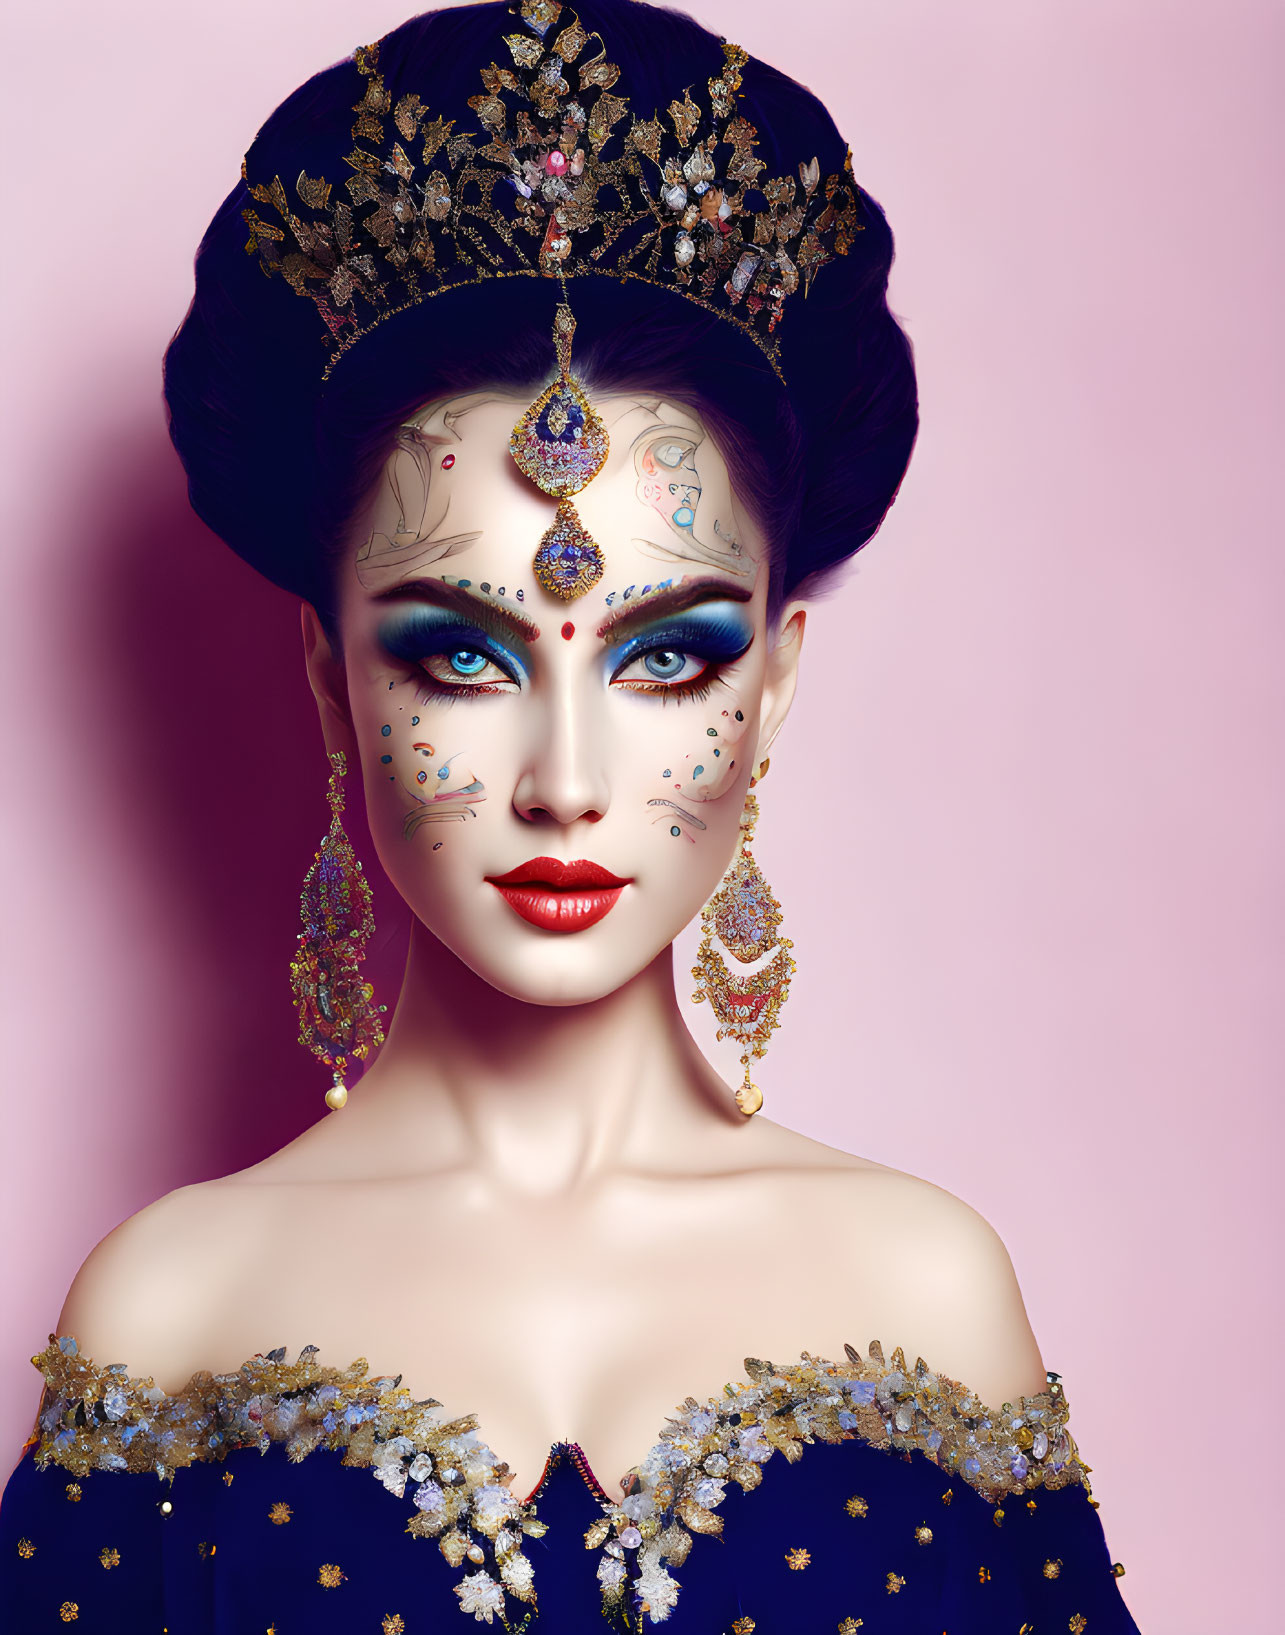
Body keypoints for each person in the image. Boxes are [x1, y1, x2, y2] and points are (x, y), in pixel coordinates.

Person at [0, 1, 1141, 1629]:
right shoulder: (172, 1313)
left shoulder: (927, 1292)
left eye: (666, 658)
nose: (565, 776)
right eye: (460, 656)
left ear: (772, 686)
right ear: (331, 685)